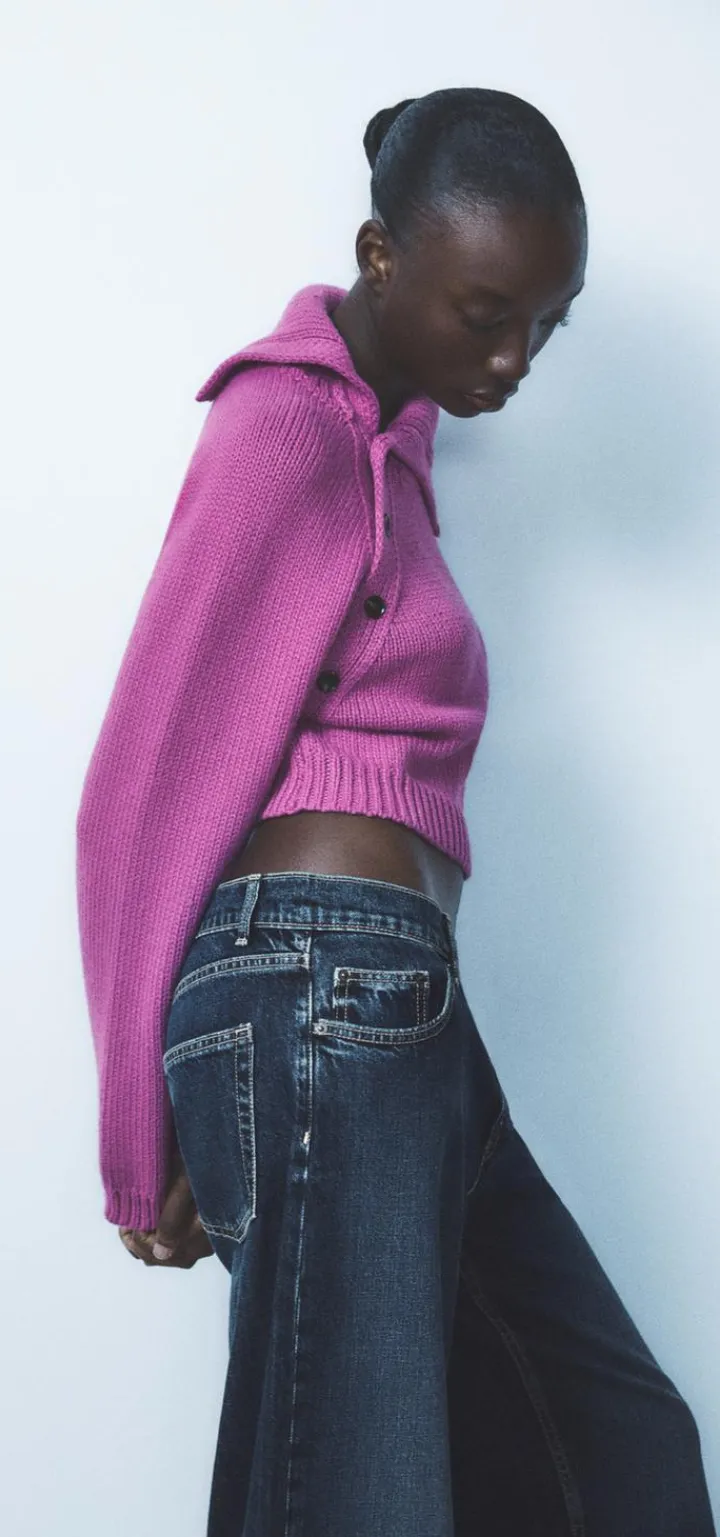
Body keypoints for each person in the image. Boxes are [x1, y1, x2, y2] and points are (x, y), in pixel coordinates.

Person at [74, 86, 716, 1535]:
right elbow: (147, 775)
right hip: (316, 989)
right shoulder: (285, 431)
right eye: (486, 315)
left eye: (543, 327)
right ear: (379, 256)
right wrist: (141, 1126)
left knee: (617, 1458)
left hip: (396, 1013)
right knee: (359, 1497)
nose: (513, 360)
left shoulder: (388, 457)